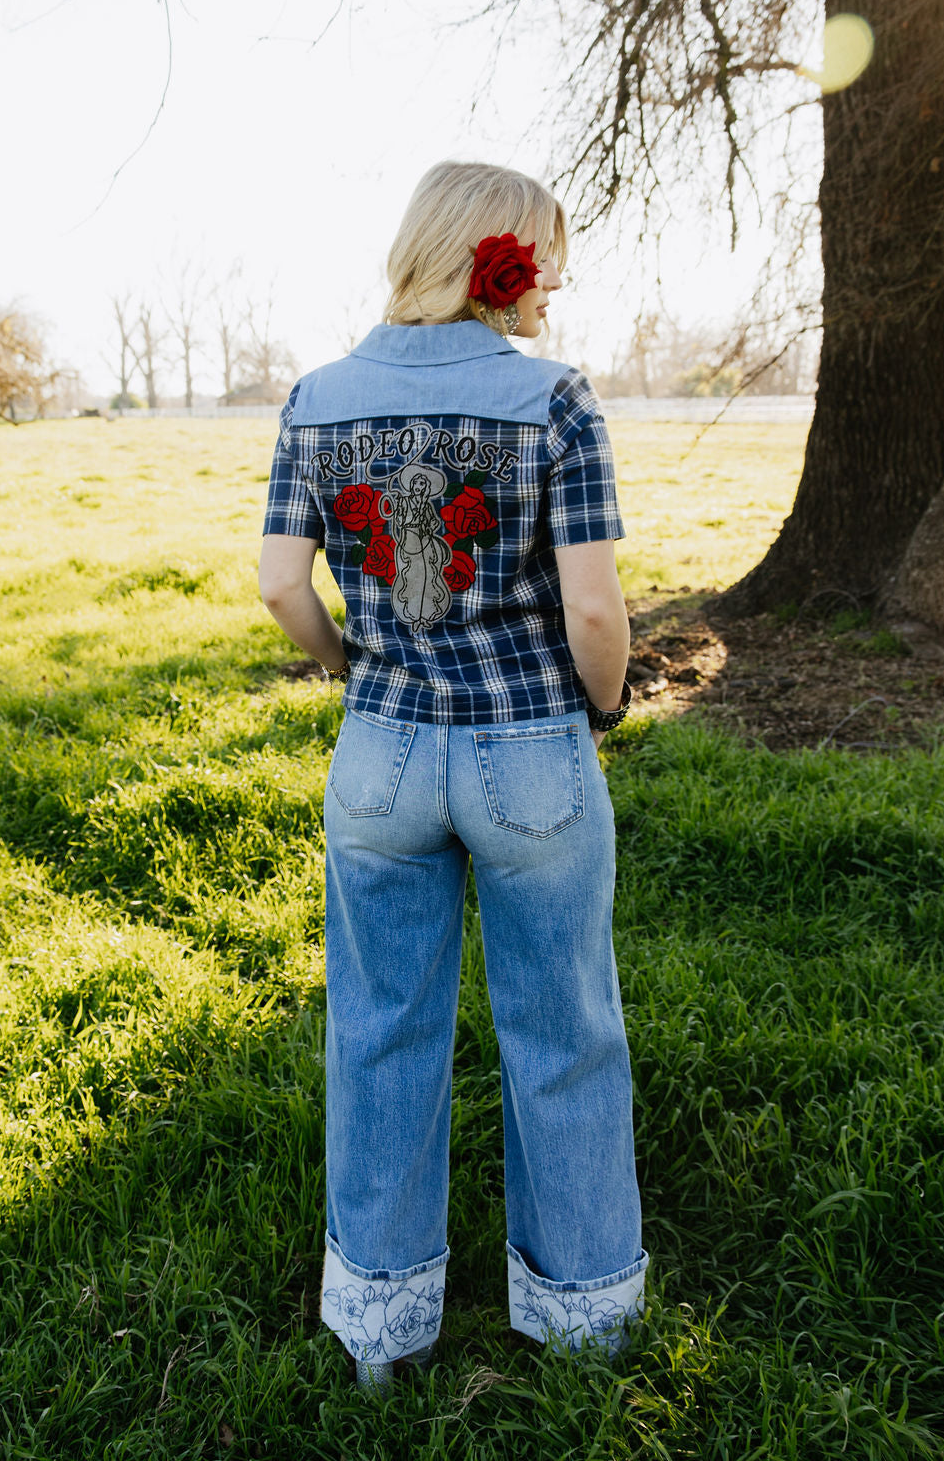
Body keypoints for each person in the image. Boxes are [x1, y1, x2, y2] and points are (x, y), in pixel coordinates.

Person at [259, 160, 647, 1392]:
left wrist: (350, 668)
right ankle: (582, 1326)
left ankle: (381, 1333)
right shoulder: (555, 399)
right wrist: (601, 705)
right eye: (543, 269)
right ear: (502, 263)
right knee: (563, 1030)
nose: (549, 294)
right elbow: (594, 610)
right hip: (529, 750)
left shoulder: (316, 398)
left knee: (379, 1031)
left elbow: (280, 586)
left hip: (379, 754)